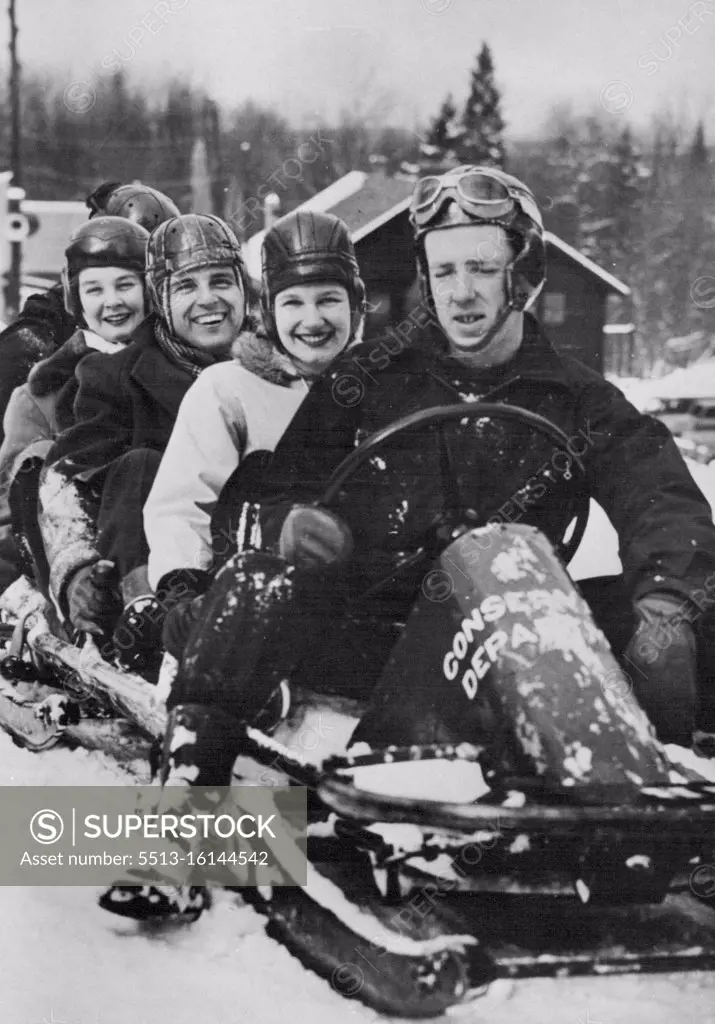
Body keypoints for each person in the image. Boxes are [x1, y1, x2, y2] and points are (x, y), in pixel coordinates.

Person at [100, 166, 715, 921]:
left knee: (687, 606)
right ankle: (183, 815)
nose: (460, 292)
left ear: (520, 276)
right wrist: (289, 522)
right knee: (261, 581)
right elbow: (268, 491)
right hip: (377, 644)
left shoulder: (580, 395)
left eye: (481, 269)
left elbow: (660, 495)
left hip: (525, 633)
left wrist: (665, 601)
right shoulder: (368, 380)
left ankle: (669, 815)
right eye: (444, 270)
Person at [144, 210, 366, 658]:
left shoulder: (383, 387)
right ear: (268, 310)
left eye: (328, 300)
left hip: (366, 606)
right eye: (293, 303)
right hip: (253, 605)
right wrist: (185, 595)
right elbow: (182, 504)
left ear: (356, 306)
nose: (312, 320)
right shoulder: (230, 388)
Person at [38, 213, 248, 674]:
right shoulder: (113, 377)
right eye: (186, 286)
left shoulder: (276, 374)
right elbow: (66, 479)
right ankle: (146, 619)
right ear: (163, 298)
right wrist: (76, 571)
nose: (208, 300)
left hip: (246, 565)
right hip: (152, 570)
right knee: (140, 466)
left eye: (221, 282)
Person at [0, 181, 179, 593]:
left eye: (126, 285)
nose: (112, 302)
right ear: (76, 298)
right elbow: (18, 522)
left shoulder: (188, 365)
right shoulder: (40, 394)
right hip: (96, 588)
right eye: (95, 289)